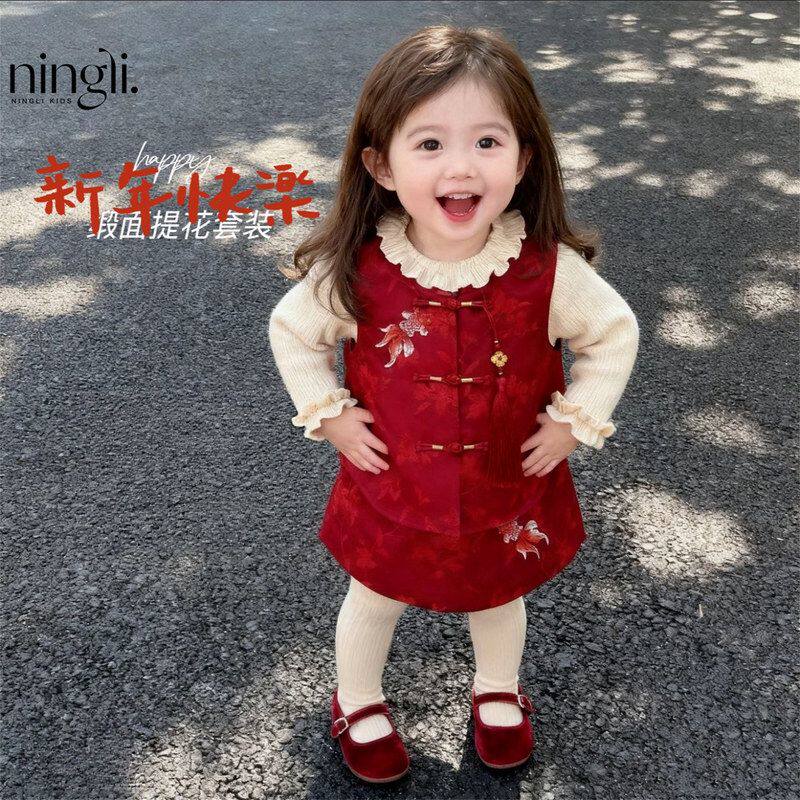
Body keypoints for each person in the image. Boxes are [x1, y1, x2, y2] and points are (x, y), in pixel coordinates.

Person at [269, 24, 639, 783]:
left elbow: (612, 334)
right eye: (430, 143)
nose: (461, 166)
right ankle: (357, 698)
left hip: (506, 481)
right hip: (394, 482)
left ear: (524, 158)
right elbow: (294, 330)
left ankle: (497, 688)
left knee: (497, 593)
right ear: (381, 163)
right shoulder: (359, 268)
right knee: (375, 593)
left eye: (487, 142)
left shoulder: (546, 270)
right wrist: (328, 412)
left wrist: (574, 421)